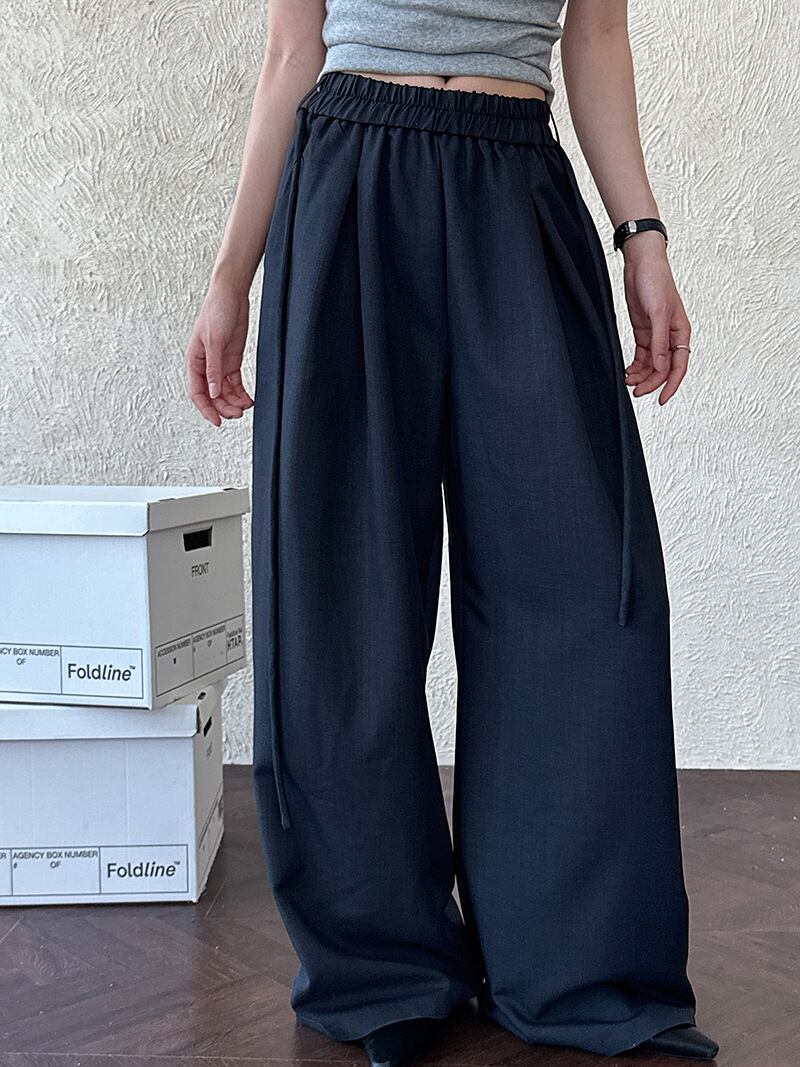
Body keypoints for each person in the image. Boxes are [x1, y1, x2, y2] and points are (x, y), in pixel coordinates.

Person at [185, 1, 719, 1062]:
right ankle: (380, 966)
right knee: (338, 592)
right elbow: (292, 51)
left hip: (516, 185)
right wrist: (229, 275)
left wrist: (642, 236)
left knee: (580, 583)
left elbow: (594, 36)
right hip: (348, 179)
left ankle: (576, 963)